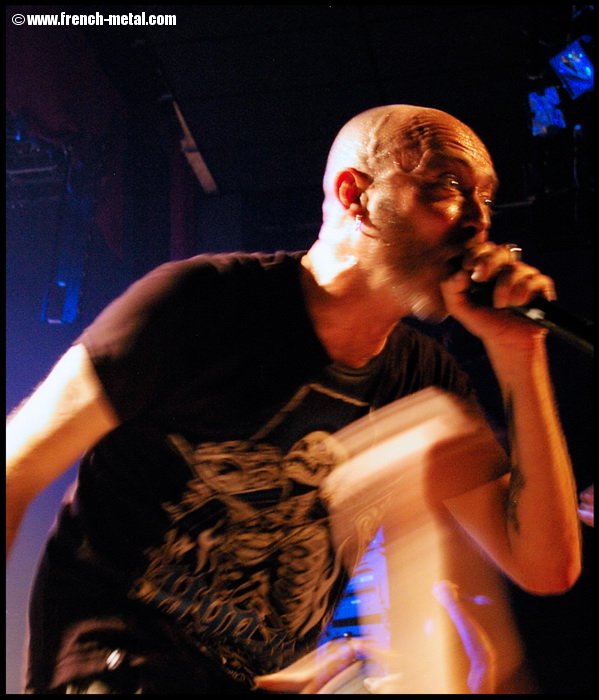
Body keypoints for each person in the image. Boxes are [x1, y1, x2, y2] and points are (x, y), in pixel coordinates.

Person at [6, 104, 582, 694]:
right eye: (448, 186)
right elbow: (16, 465)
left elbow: (544, 565)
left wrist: (519, 353)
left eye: (485, 198)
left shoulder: (423, 382)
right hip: (115, 669)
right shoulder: (202, 304)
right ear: (356, 196)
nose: (478, 220)